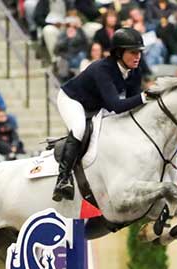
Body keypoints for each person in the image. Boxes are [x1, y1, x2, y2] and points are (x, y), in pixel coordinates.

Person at [53, 28, 150, 201]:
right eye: (133, 52)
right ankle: (63, 179)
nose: (138, 57)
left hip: (97, 105)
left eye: (139, 52)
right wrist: (145, 97)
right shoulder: (102, 69)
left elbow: (132, 106)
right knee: (79, 128)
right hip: (73, 100)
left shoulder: (135, 71)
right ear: (119, 53)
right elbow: (116, 106)